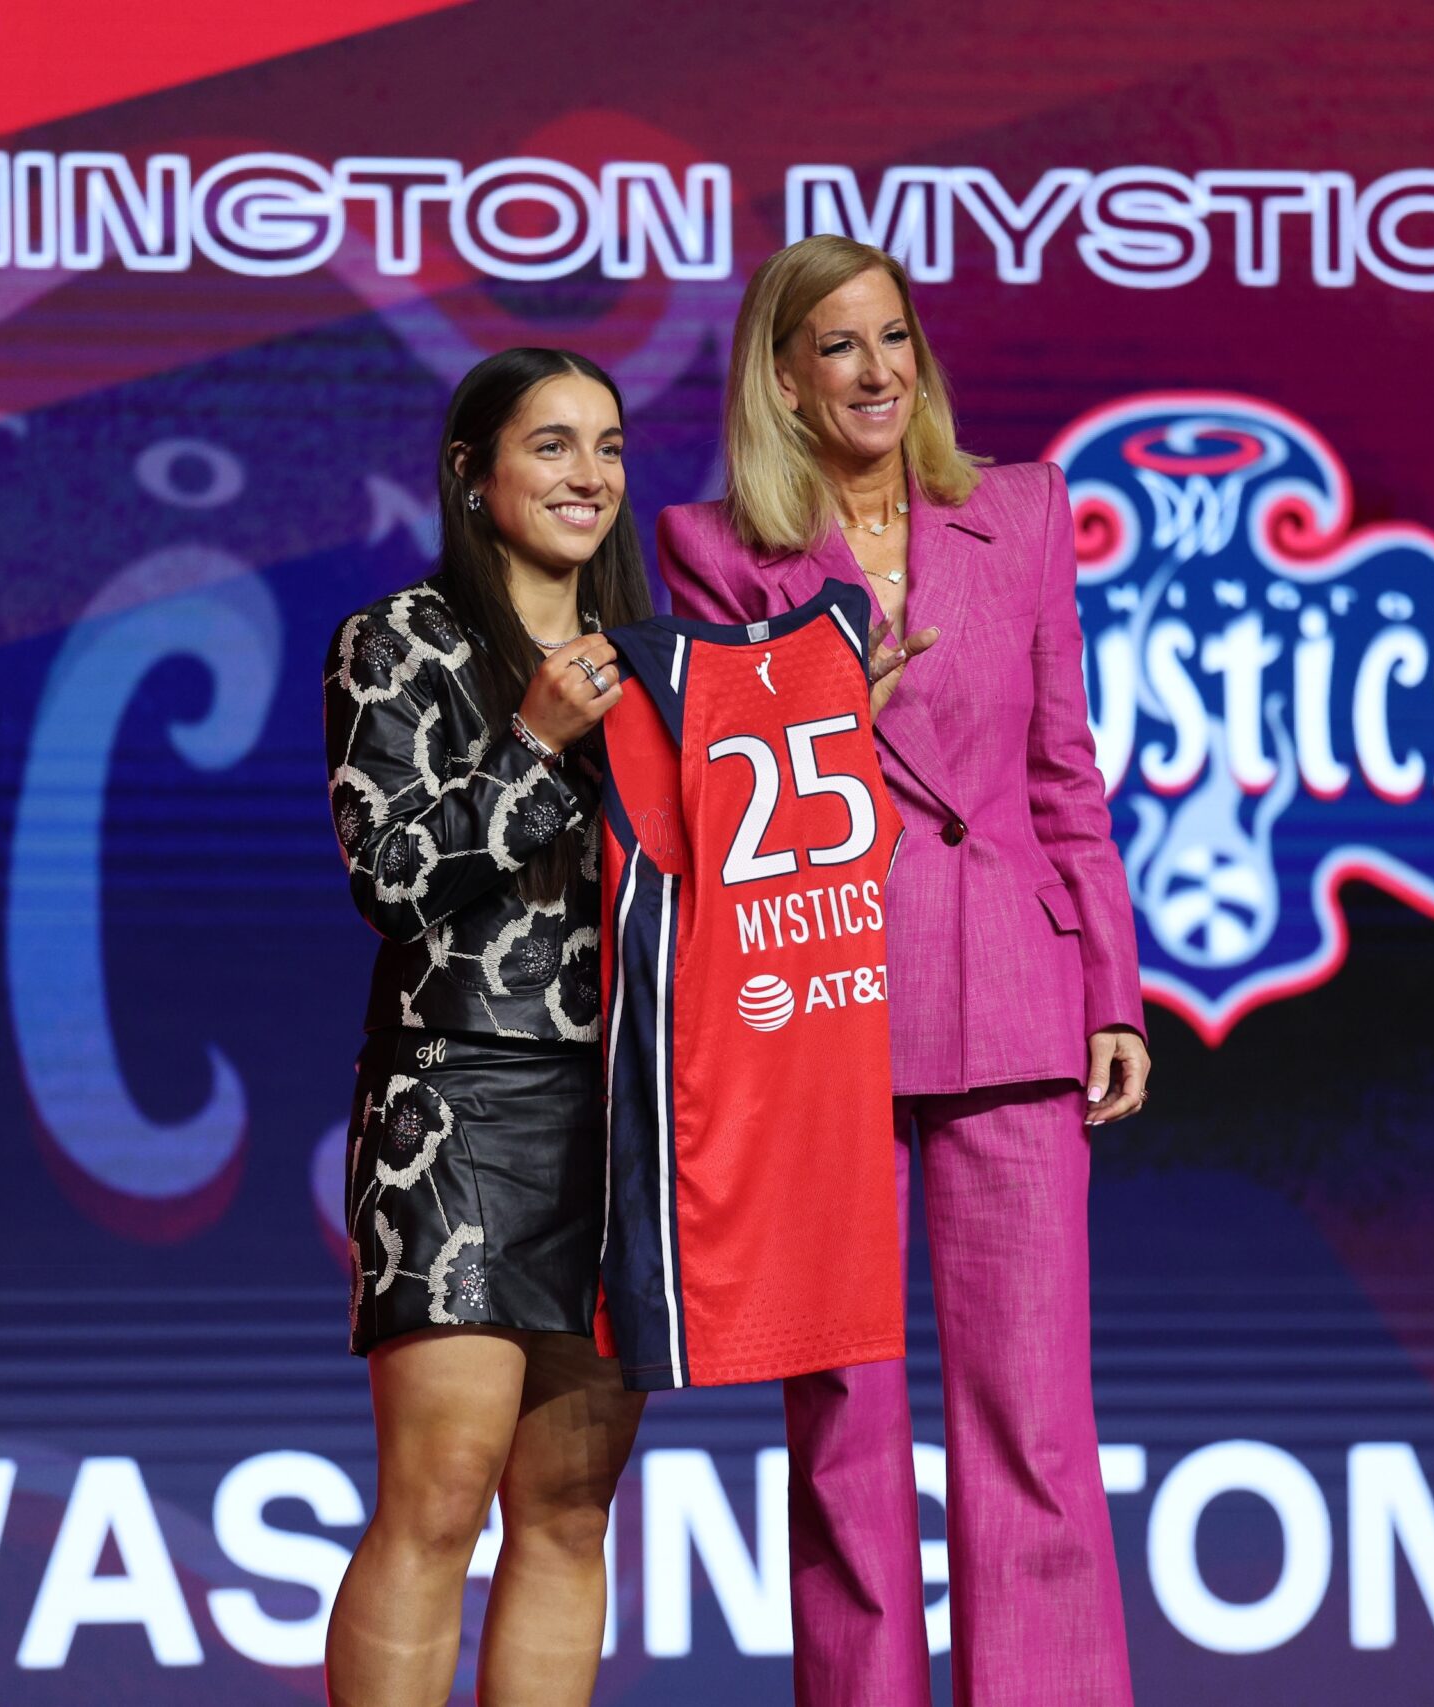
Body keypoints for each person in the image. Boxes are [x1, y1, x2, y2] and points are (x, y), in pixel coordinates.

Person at [656, 235, 1151, 1707]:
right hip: (826, 1008)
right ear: (787, 383)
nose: (878, 373)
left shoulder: (1021, 510)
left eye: (895, 341)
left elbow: (1067, 773)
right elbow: (714, 803)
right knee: (845, 1426)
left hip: (1013, 985)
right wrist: (817, 699)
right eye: (839, 348)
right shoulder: (714, 548)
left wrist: (1110, 994)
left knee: (1036, 1420)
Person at [319, 346, 651, 1707]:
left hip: (623, 1116)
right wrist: (530, 738)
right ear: (474, 472)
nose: (592, 477)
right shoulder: (397, 640)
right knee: (440, 1498)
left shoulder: (657, 659)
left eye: (613, 447)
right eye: (555, 445)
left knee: (572, 1512)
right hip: (456, 1107)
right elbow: (390, 880)